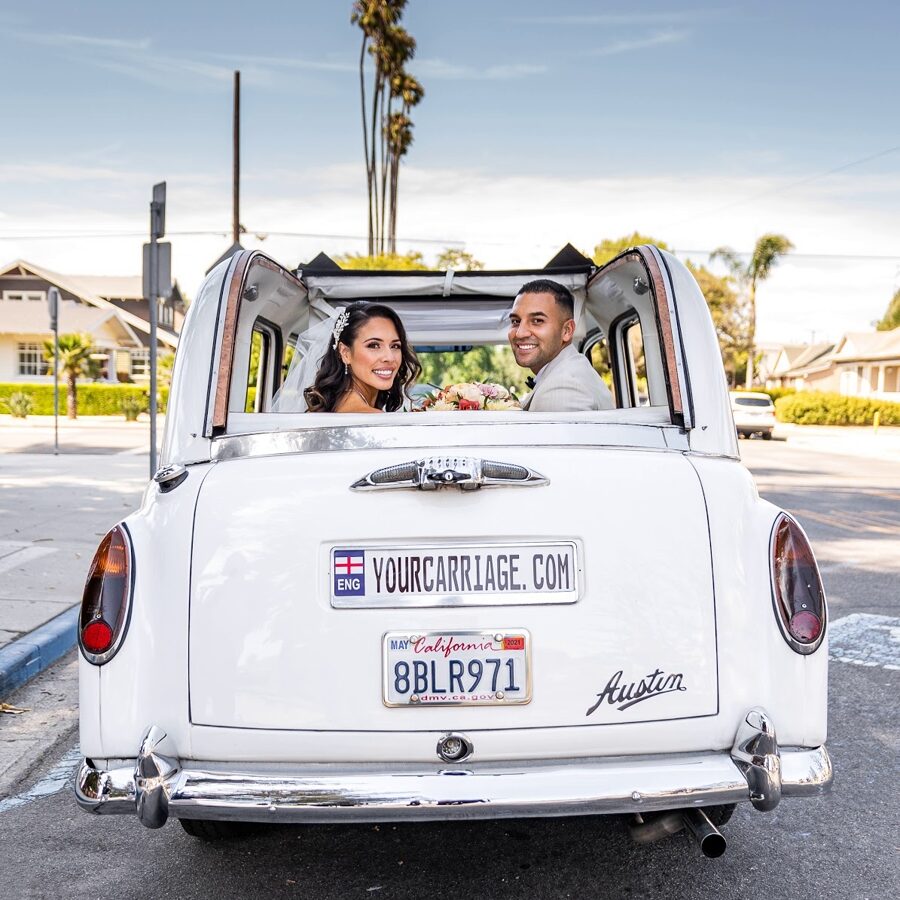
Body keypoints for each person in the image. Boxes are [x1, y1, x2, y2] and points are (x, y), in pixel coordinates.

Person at [273, 302, 420, 413]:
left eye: (395, 346)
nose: (389, 357)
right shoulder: (376, 419)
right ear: (345, 353)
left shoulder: (333, 405)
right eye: (374, 345)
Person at [508, 279, 614, 412]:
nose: (520, 333)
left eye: (537, 321)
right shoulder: (568, 370)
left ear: (567, 331)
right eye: (516, 321)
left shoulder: (562, 390)